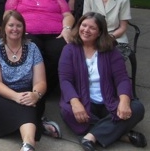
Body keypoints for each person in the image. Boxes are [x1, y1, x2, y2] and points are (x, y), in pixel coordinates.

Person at [58, 12, 146, 151]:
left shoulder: (110, 51)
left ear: (99, 32)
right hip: (82, 100)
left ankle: (90, 137)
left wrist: (124, 102)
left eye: (92, 28)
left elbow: (122, 79)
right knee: (68, 111)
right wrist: (75, 103)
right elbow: (65, 81)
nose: (86, 30)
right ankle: (121, 134)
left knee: (137, 108)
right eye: (83, 25)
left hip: (109, 100)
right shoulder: (69, 49)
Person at [0, 11, 61, 151]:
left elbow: (40, 81)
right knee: (23, 106)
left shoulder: (32, 48)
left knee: (28, 103)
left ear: (24, 28)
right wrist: (16, 96)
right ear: (4, 27)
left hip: (28, 94)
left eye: (19, 25)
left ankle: (28, 145)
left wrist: (36, 94)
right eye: (11, 25)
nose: (15, 29)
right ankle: (38, 127)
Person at [5, 0, 74, 95]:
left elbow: (67, 14)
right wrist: (15, 28)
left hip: (55, 33)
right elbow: (8, 13)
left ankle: (50, 88)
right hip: (27, 32)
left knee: (60, 51)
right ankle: (33, 86)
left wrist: (67, 28)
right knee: (33, 51)